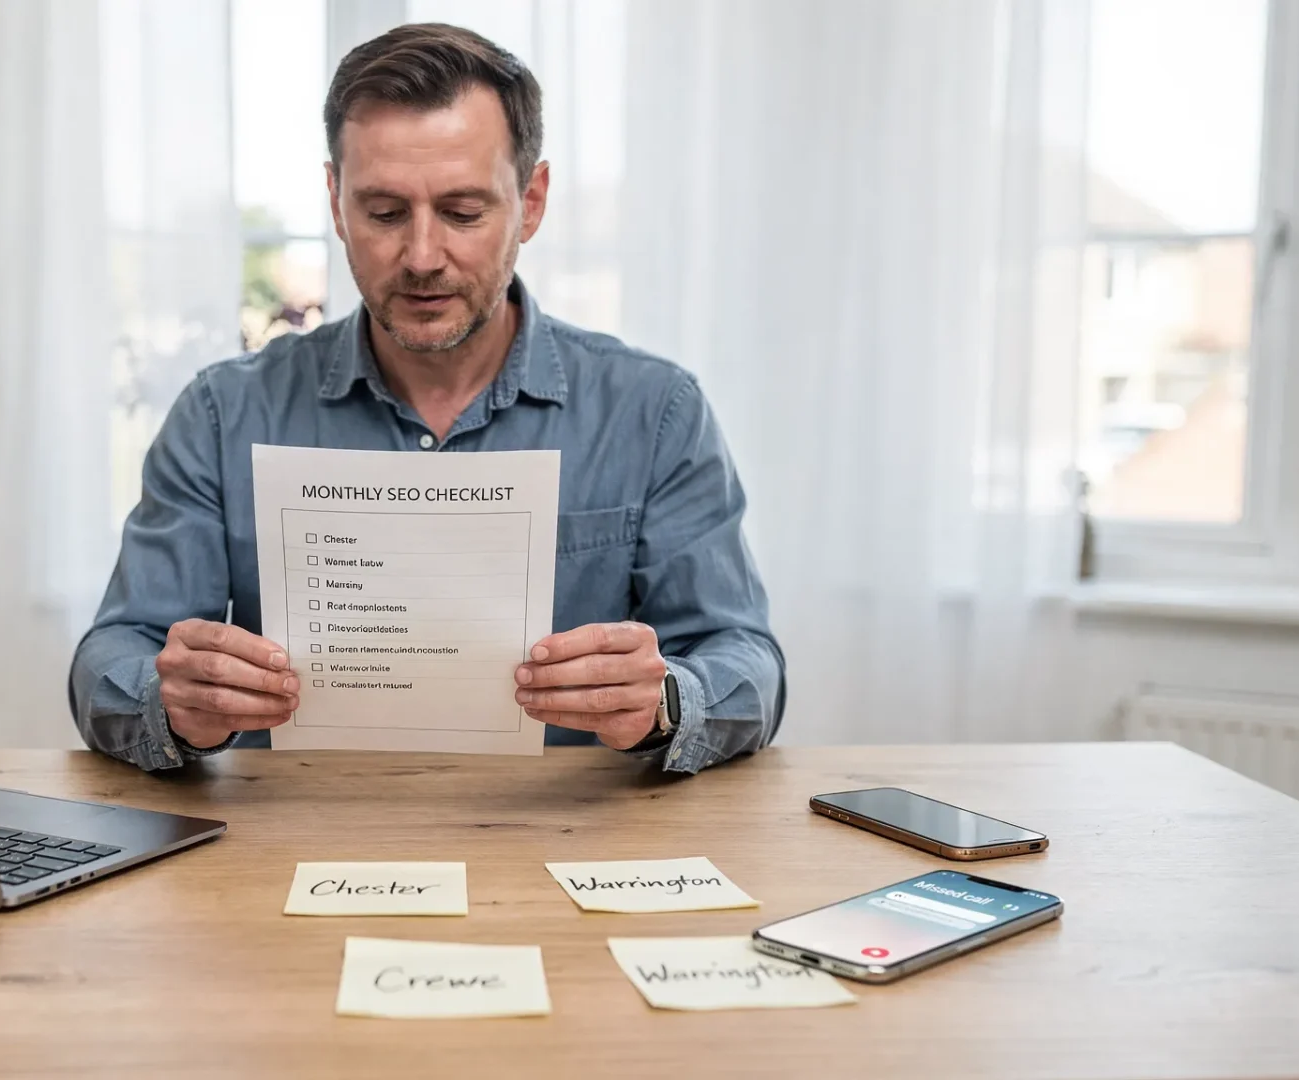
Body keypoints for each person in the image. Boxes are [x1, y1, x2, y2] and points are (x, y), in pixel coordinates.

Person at [70, 23, 785, 774]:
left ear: (531, 202)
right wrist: (172, 700)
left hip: (565, 839)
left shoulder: (654, 411)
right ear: (335, 202)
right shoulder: (222, 414)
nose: (420, 257)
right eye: (383, 213)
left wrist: (666, 698)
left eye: (463, 212)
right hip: (284, 842)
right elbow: (110, 655)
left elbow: (745, 657)